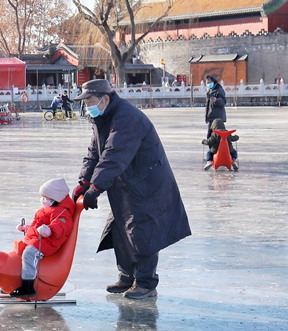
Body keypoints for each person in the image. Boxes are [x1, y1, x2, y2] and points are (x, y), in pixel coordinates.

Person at [72, 79, 190, 300]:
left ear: (105, 99)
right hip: (125, 182)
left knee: (142, 231)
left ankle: (146, 283)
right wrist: (83, 183)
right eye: (85, 101)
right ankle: (127, 276)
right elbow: (94, 153)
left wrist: (96, 187)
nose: (87, 105)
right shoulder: (102, 117)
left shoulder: (126, 117)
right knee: (118, 228)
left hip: (145, 183)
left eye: (90, 101)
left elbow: (114, 155)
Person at [12, 178, 76, 297]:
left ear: (55, 199)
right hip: (37, 239)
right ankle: (13, 282)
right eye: (42, 197)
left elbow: (61, 227)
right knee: (19, 251)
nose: (43, 200)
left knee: (29, 254)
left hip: (48, 243)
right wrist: (26, 228)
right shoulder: (46, 209)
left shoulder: (62, 213)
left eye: (46, 198)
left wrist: (49, 230)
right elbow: (36, 225)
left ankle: (28, 287)